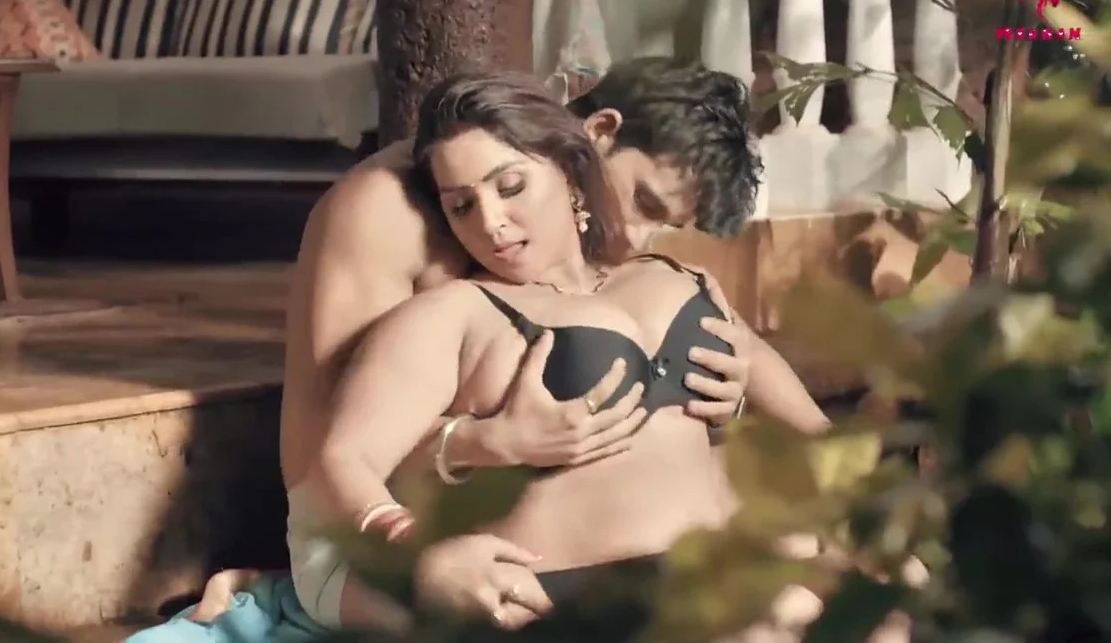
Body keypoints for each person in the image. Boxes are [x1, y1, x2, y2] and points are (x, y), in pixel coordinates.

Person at [139, 59, 828, 641]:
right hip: (383, 532)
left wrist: (730, 390)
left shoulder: (612, 260)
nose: (640, 236)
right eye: (644, 204)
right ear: (596, 136)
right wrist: (480, 446)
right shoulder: (390, 216)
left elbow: (763, 383)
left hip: (553, 528)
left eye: (666, 225)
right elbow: (332, 460)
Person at [311, 72, 869, 640]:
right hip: (577, 593)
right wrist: (422, 552)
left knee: (884, 605)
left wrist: (746, 403)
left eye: (510, 187)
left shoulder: (676, 277)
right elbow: (341, 459)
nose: (491, 223)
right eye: (461, 206)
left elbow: (797, 413)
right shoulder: (452, 313)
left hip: (707, 572)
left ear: (569, 169)